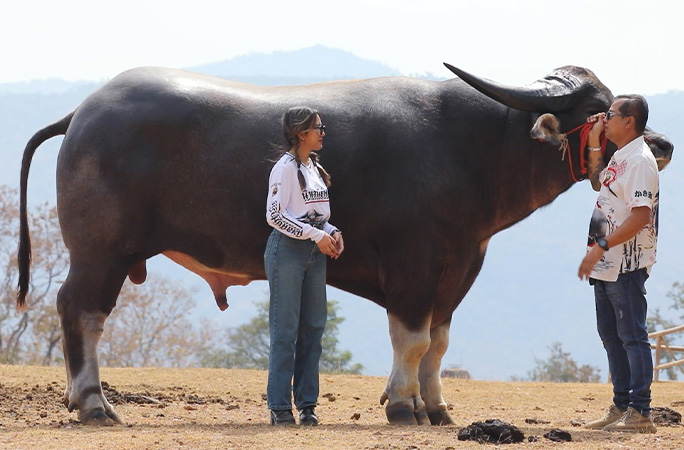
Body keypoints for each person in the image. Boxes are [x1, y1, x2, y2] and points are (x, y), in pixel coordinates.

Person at [578, 95, 658, 433]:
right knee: (611, 335)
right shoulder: (621, 157)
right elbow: (599, 183)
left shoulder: (639, 161)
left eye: (610, 115)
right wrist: (595, 141)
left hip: (625, 262)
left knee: (632, 336)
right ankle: (621, 404)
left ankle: (640, 412)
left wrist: (601, 247)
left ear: (630, 120)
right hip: (607, 262)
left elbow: (641, 216)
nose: (604, 118)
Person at [264, 106, 344, 426]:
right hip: (287, 253)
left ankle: (308, 405)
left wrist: (332, 232)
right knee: (285, 331)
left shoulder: (313, 167)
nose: (323, 133)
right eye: (318, 128)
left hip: (313, 253)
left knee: (313, 329)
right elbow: (275, 215)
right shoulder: (284, 168)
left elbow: (314, 215)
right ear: (300, 133)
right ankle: (279, 406)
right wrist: (315, 234)